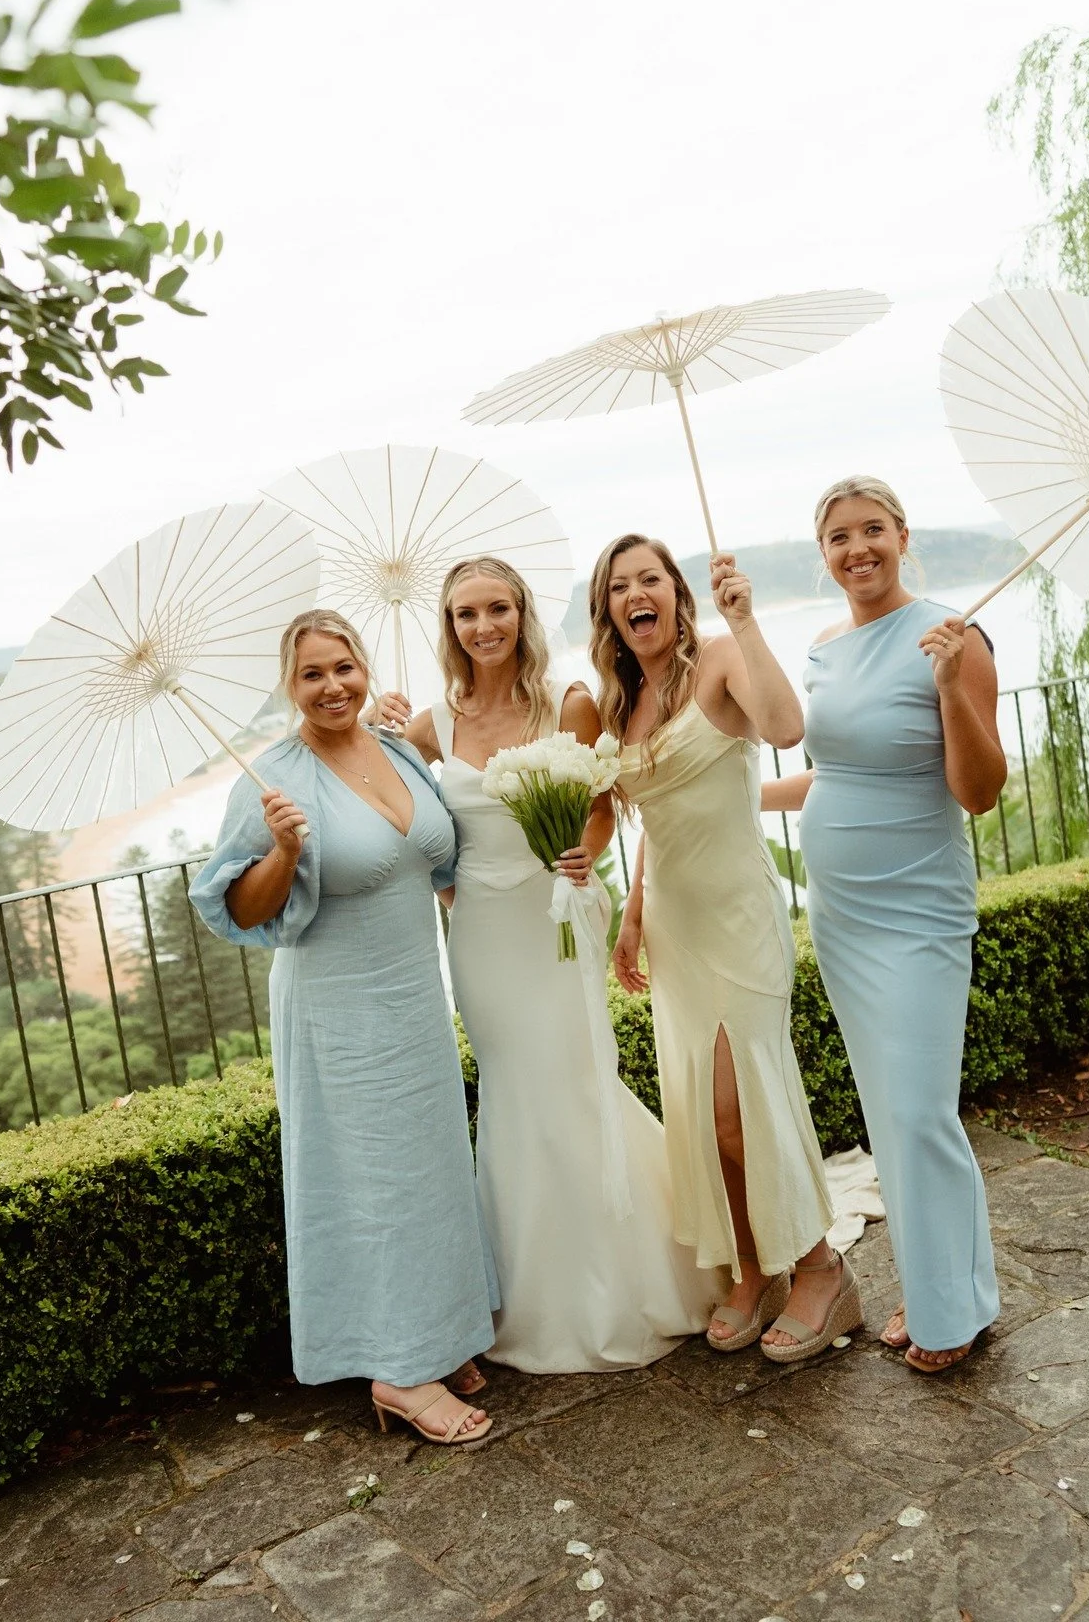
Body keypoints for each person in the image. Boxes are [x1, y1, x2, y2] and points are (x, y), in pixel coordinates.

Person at [374, 557, 722, 1371]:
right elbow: (390, 802)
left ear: (522, 615)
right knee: (513, 1099)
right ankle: (527, 1293)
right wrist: (379, 723)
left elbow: (603, 810)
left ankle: (626, 1278)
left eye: (497, 608)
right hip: (482, 938)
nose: (483, 626)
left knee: (574, 1084)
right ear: (449, 627)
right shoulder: (431, 723)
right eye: (466, 614)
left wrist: (580, 858)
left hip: (557, 916)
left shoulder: (566, 703)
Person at [189, 608, 499, 1443]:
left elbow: (435, 856)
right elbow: (239, 911)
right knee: (375, 1182)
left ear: (365, 670)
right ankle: (400, 1372)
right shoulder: (272, 781)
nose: (332, 687)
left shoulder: (395, 746)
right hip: (339, 1009)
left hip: (414, 997)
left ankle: (443, 1332)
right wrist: (283, 852)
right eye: (312, 675)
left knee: (429, 1166)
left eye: (344, 669)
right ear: (288, 686)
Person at [764, 477, 1005, 1372]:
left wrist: (948, 685)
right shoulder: (826, 646)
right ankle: (943, 1286)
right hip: (843, 916)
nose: (857, 548)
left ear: (903, 536)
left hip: (918, 906)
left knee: (918, 1110)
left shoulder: (956, 635)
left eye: (872, 530)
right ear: (822, 553)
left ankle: (955, 1310)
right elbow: (832, 775)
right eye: (838, 536)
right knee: (889, 1115)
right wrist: (730, 799)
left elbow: (977, 790)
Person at [599, 534, 858, 1364]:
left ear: (677, 594)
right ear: (608, 610)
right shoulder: (622, 703)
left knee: (741, 1110)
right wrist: (633, 913)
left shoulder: (716, 660)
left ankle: (821, 1270)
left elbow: (786, 726)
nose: (636, 594)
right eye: (618, 587)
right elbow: (656, 823)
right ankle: (751, 1270)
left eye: (651, 580)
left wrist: (745, 623)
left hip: (740, 921)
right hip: (675, 927)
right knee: (706, 1123)